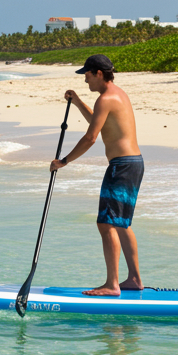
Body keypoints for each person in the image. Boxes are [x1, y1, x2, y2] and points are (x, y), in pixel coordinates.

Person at [49, 54, 144, 296]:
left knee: (106, 223)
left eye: (87, 76)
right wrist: (79, 101)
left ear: (98, 73)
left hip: (121, 166)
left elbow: (91, 137)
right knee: (121, 224)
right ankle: (134, 279)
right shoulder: (117, 94)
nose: (85, 81)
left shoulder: (105, 98)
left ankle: (112, 284)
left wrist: (64, 161)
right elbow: (97, 122)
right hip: (133, 163)